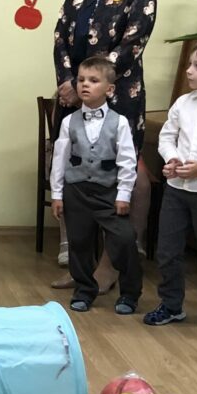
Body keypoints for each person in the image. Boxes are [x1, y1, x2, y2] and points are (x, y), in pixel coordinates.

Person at [50, 0, 157, 291]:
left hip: (120, 94)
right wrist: (69, 82)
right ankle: (80, 264)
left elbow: (133, 43)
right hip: (74, 92)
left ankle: (112, 264)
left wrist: (97, 82)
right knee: (74, 170)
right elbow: (61, 34)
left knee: (124, 174)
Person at [143, 39, 197, 337]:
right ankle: (171, 305)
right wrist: (171, 158)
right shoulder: (183, 103)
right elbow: (167, 136)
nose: (189, 71)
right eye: (190, 64)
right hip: (177, 190)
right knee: (168, 251)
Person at [50, 57, 141, 313]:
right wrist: (57, 194)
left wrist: (123, 194)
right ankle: (84, 290)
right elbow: (60, 159)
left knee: (124, 239)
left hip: (108, 192)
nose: (85, 85)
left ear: (109, 89)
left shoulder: (119, 122)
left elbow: (127, 160)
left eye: (93, 80)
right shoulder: (69, 122)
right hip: (76, 190)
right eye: (81, 80)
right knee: (79, 242)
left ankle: (130, 293)